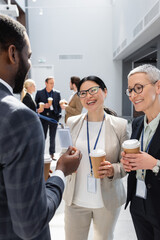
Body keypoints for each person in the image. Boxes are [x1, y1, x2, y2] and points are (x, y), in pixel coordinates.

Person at [0, 14, 81, 240]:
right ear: (13, 53)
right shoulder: (18, 118)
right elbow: (29, 225)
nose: (29, 63)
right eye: (29, 55)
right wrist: (61, 173)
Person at [63, 75, 129, 240]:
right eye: (83, 93)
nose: (88, 96)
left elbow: (127, 164)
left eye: (93, 90)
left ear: (105, 92)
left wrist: (113, 169)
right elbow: (66, 154)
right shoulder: (72, 122)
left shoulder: (120, 125)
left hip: (106, 202)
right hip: (75, 201)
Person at [121, 64, 160, 240]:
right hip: (138, 203)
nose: (133, 95)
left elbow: (151, 162)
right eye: (130, 90)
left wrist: (154, 164)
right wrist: (127, 163)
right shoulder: (136, 124)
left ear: (158, 86)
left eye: (138, 88)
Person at [35, 77, 61, 160]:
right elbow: (35, 104)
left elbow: (58, 106)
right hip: (44, 117)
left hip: (54, 117)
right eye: (51, 83)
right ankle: (41, 154)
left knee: (52, 137)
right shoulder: (39, 93)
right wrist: (43, 106)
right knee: (43, 136)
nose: (52, 85)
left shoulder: (57, 93)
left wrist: (58, 115)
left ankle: (52, 154)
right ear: (46, 83)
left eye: (53, 83)